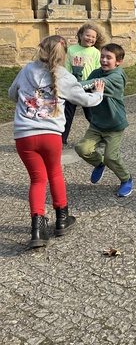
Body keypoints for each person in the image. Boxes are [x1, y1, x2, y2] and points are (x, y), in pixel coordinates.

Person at [8, 35, 104, 248]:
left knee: (37, 180)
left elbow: (12, 93)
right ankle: (62, 219)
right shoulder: (64, 76)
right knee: (55, 174)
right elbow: (85, 100)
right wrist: (98, 94)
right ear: (64, 54)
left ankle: (38, 229)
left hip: (24, 136)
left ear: (40, 49)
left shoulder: (26, 70)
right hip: (50, 135)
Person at [75, 43, 133, 197]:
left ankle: (126, 179)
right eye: (102, 56)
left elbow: (93, 84)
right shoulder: (97, 72)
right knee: (82, 149)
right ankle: (99, 163)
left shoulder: (117, 76)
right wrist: (77, 74)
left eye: (109, 57)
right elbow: (82, 90)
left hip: (114, 125)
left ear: (119, 61)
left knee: (111, 157)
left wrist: (68, 85)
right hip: (97, 124)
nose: (104, 60)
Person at [62, 22, 107, 145]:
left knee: (91, 114)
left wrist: (95, 84)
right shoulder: (71, 50)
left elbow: (98, 69)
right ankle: (62, 139)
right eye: (88, 35)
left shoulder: (96, 52)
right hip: (73, 86)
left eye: (93, 37)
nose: (90, 39)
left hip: (89, 86)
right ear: (81, 35)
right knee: (68, 114)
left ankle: (101, 137)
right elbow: (67, 69)